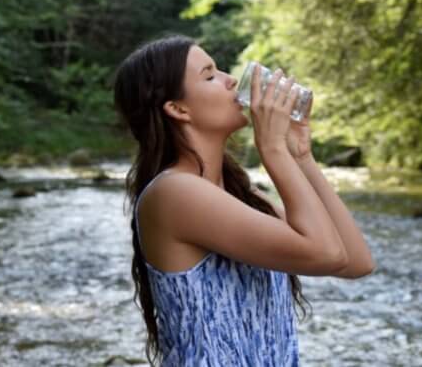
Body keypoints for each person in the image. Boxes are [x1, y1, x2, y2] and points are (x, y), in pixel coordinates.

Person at [113, 34, 375, 366]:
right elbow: (326, 254)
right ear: (177, 109)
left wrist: (301, 157)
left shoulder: (240, 195)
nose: (230, 80)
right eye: (209, 75)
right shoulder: (175, 193)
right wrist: (274, 150)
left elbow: (355, 261)